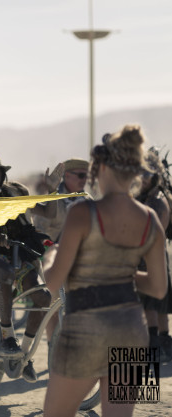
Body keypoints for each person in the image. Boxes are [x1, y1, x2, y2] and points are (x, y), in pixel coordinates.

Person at [43, 125, 167, 417]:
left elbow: (53, 281)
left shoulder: (82, 213)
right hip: (130, 329)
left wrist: (51, 256)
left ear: (100, 169)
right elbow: (158, 288)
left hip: (85, 329)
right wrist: (120, 275)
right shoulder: (150, 219)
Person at [0, 150, 59, 383]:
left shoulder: (16, 193)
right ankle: (7, 337)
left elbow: (48, 213)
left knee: (43, 298)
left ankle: (24, 356)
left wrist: (53, 190)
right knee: (6, 274)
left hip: (20, 254)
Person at [33, 157, 91, 340]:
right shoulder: (52, 199)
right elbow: (39, 231)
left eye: (86, 176)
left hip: (81, 263)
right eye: (80, 176)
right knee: (54, 305)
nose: (84, 180)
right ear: (67, 176)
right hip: (53, 261)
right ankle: (53, 345)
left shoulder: (88, 201)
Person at [134, 148, 172, 363]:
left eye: (147, 174)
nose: (143, 179)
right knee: (156, 306)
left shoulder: (157, 201)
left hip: (151, 258)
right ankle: (161, 344)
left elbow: (150, 233)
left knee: (152, 306)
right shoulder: (147, 199)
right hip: (149, 257)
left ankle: (157, 346)